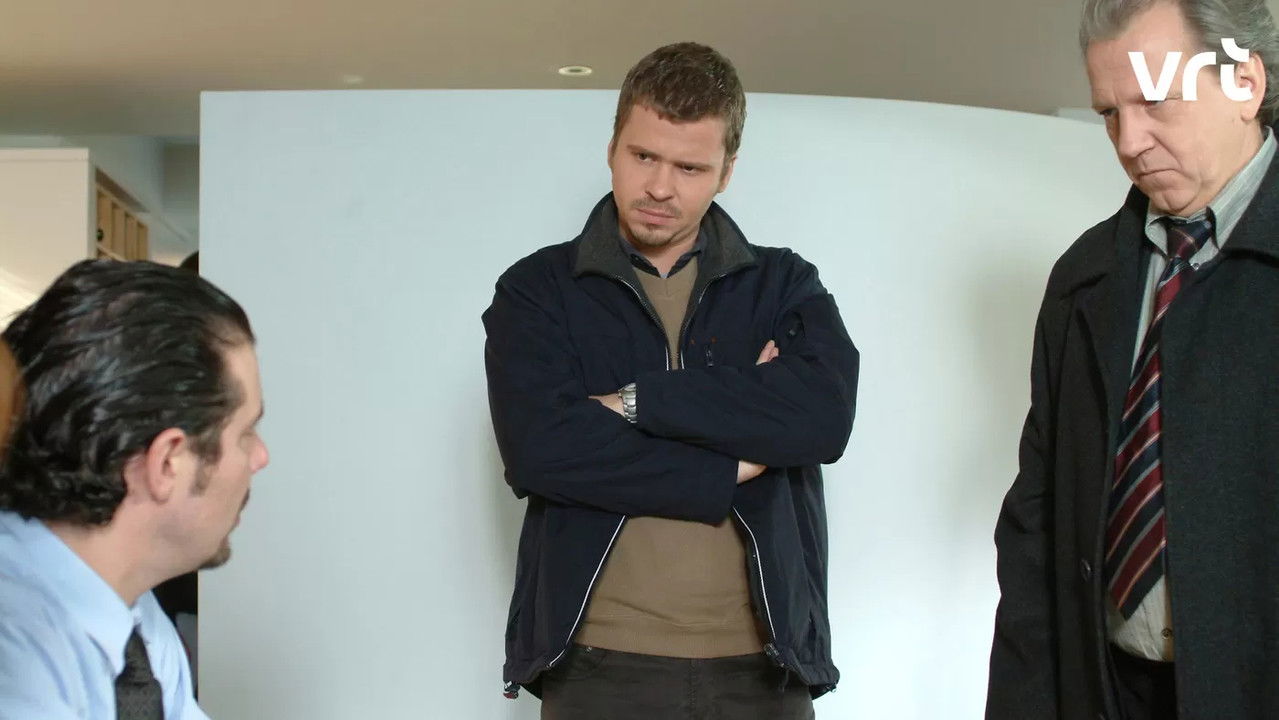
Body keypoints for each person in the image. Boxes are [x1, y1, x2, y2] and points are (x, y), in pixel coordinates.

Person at [483, 41, 859, 719]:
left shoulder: (782, 283)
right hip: (598, 665)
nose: (660, 188)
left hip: (765, 665)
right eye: (643, 157)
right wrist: (733, 462)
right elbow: (540, 451)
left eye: (689, 167)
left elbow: (821, 419)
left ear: (726, 172)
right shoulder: (538, 289)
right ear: (611, 148)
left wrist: (635, 403)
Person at [987, 1, 1279, 718]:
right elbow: (1035, 523)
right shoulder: (1083, 278)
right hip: (1107, 691)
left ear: (1245, 83)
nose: (1129, 141)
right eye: (1109, 113)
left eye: (1154, 102)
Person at [0, 259, 269, 719]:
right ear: (167, 462)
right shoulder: (17, 663)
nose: (260, 457)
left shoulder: (135, 619)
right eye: (246, 433)